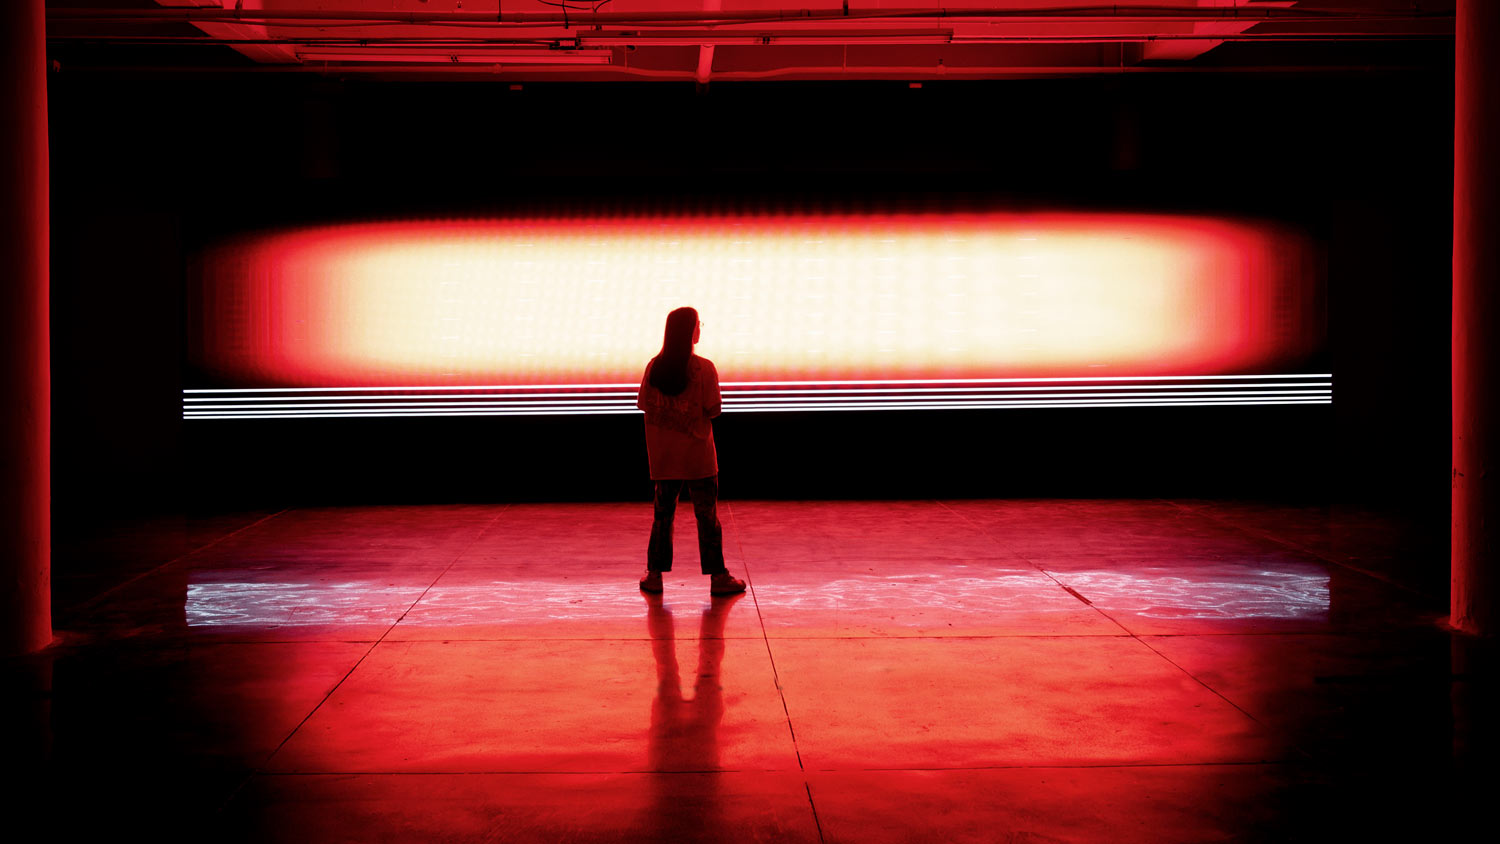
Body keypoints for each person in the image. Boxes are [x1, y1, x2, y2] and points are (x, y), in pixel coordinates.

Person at [636, 307, 746, 596]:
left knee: (663, 516)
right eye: (699, 324)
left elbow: (644, 405)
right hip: (698, 457)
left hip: (665, 458)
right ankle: (718, 577)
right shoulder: (704, 368)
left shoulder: (653, 367)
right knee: (707, 516)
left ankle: (654, 575)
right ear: (690, 331)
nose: (701, 328)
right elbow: (714, 409)